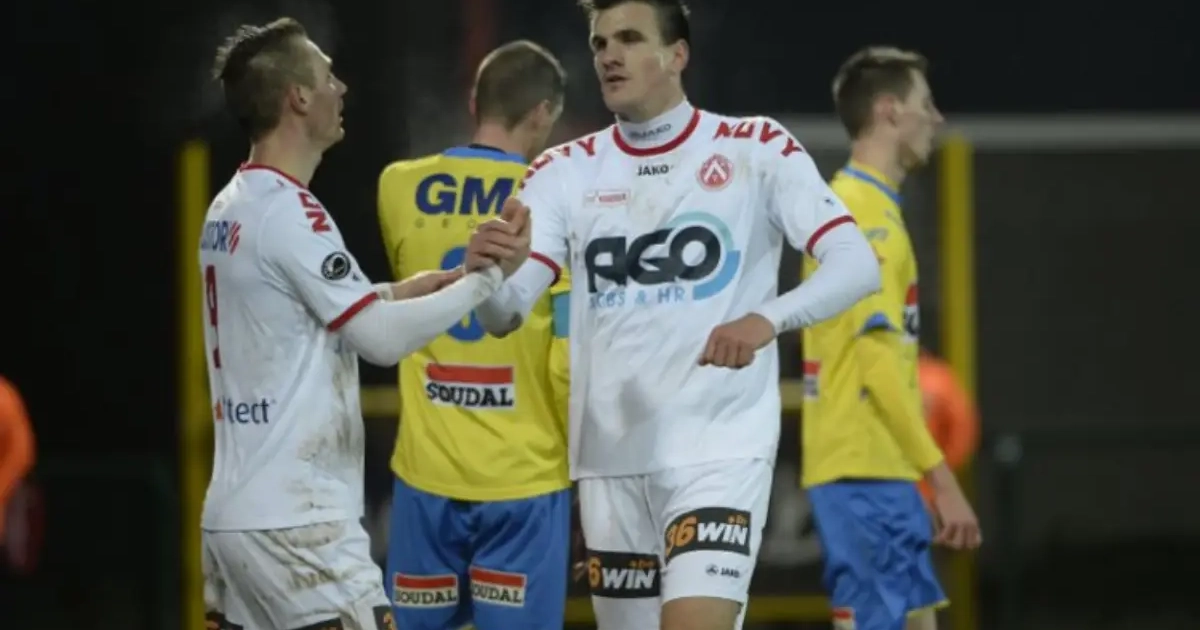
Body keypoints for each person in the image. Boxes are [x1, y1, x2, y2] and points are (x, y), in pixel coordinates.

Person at [472, 1, 881, 628]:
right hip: (609, 462)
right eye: (600, 43)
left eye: (630, 39)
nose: (610, 55)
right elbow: (503, 316)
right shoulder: (561, 171)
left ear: (677, 55)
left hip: (719, 449)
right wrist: (489, 275)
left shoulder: (755, 147)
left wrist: (766, 320)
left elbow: (855, 264)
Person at [200, 18, 531, 630]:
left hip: (234, 518)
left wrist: (417, 286)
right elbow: (379, 340)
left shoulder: (230, 207)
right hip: (299, 528)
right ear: (299, 97)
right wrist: (485, 281)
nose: (342, 88)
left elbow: (297, 315)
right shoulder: (291, 213)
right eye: (328, 76)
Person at [376, 40, 573, 630]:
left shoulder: (397, 185)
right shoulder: (558, 203)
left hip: (425, 473)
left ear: (474, 102)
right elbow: (566, 358)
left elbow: (405, 302)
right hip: (525, 477)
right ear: (543, 112)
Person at [799, 47, 982, 630]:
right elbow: (876, 364)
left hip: (879, 470)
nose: (937, 118)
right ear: (889, 111)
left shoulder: (865, 206)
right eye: (926, 104)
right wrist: (943, 482)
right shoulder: (862, 216)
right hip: (864, 472)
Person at [917, 349, 981, 504]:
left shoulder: (873, 373)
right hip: (927, 488)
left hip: (879, 489)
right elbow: (962, 432)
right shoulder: (938, 378)